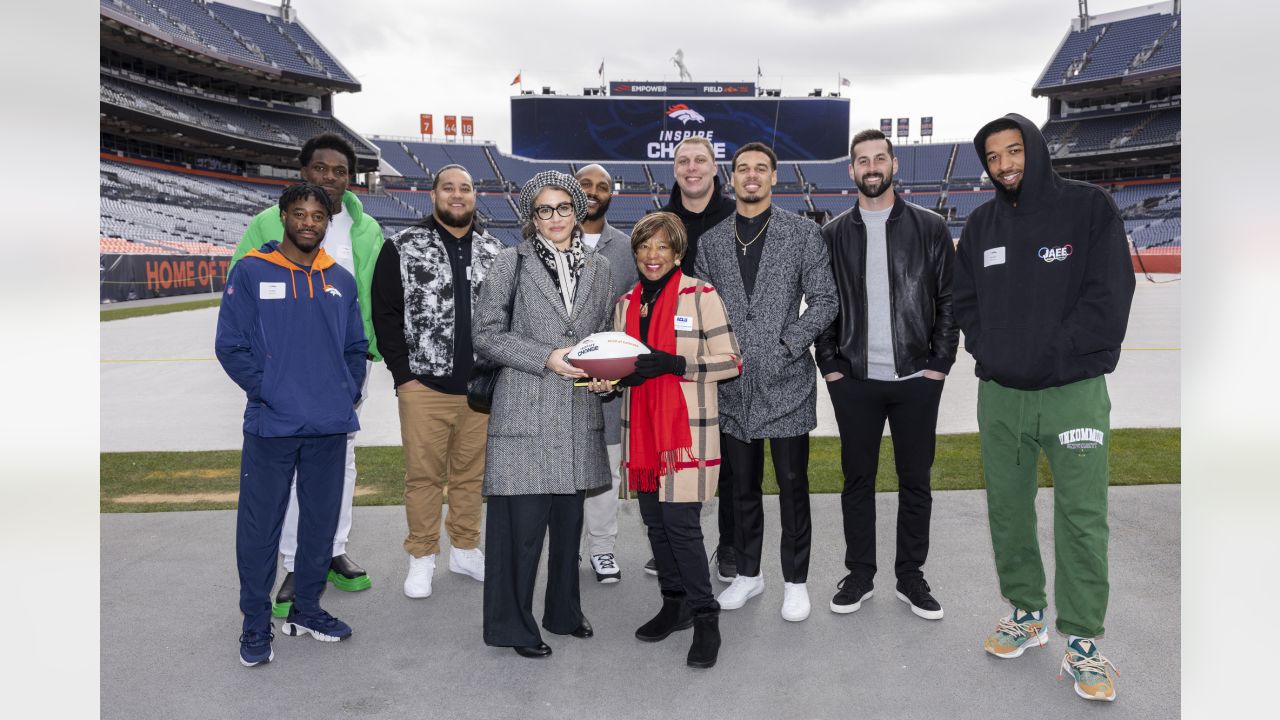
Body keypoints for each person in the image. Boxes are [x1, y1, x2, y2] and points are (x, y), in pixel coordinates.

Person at [953, 113, 1135, 702]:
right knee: (1008, 510)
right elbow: (965, 301)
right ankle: (1026, 613)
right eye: (993, 157)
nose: (1005, 165)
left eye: (1014, 151)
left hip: (1072, 392)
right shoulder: (980, 225)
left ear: (1034, 148)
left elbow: (1110, 295)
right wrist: (992, 347)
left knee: (1082, 516)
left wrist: (1052, 353)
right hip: (1002, 395)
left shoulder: (1089, 209)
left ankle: (1083, 641)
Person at [228, 133, 384, 615]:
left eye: (340, 171)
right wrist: (267, 382)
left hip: (341, 377)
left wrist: (360, 369)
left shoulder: (365, 228)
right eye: (320, 168)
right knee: (286, 476)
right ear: (304, 172)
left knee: (342, 467)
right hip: (285, 381)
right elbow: (242, 292)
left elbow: (374, 298)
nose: (329, 178)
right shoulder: (266, 223)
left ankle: (329, 549)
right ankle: (296, 563)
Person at [216, 183, 367, 667]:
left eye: (317, 215)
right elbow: (231, 345)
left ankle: (306, 609)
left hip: (328, 423)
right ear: (283, 217)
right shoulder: (253, 272)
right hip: (272, 425)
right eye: (298, 213)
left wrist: (345, 391)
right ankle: (256, 623)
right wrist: (269, 389)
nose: (308, 222)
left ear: (327, 221)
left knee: (320, 526)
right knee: (260, 530)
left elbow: (355, 348)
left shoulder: (340, 279)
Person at [815, 129, 958, 620]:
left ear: (894, 165)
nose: (871, 167)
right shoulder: (832, 234)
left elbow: (948, 300)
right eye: (862, 160)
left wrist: (939, 364)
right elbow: (823, 306)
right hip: (854, 380)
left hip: (917, 379)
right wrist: (830, 365)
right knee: (858, 480)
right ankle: (860, 573)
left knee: (915, 480)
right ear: (851, 171)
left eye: (880, 158)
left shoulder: (931, 227)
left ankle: (911, 576)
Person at [692, 142, 838, 622]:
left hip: (787, 384)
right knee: (742, 489)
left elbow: (824, 300)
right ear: (730, 179)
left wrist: (786, 344)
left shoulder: (801, 234)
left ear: (775, 178)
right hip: (732, 387)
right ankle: (749, 576)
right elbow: (700, 311)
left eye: (760, 169)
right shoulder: (711, 242)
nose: (751, 176)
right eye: (742, 169)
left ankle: (796, 582)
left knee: (793, 487)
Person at [473, 171, 615, 658]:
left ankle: (563, 612)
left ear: (578, 210)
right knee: (521, 533)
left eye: (562, 208)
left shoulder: (599, 270)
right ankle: (511, 626)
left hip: (577, 413)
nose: (554, 218)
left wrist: (604, 375)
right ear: (531, 217)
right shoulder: (509, 263)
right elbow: (486, 334)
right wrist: (546, 356)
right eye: (543, 210)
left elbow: (598, 337)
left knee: (568, 527)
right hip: (525, 412)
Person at [610, 212, 741, 669]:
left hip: (687, 432)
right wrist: (608, 380)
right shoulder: (626, 304)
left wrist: (674, 364)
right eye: (644, 246)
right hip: (642, 433)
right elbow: (625, 366)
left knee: (681, 525)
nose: (652, 255)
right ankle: (675, 603)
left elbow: (730, 361)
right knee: (655, 523)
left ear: (678, 253)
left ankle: (706, 616)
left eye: (662, 246)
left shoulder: (701, 296)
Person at [371, 164, 505, 599]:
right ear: (434, 195)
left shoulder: (495, 251)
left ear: (473, 196)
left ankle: (465, 548)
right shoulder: (404, 246)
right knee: (423, 477)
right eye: (448, 187)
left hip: (479, 390)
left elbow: (505, 316)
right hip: (424, 388)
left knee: (471, 476)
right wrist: (403, 377)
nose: (457, 195)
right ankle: (422, 556)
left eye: (465, 188)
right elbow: (386, 314)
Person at [659, 136, 739, 582]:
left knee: (726, 458)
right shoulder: (662, 220)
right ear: (675, 169)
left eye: (700, 160)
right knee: (674, 450)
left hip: (721, 354)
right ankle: (677, 539)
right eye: (683, 161)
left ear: (714, 167)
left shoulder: (733, 216)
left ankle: (728, 546)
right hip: (671, 360)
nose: (691, 168)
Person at [574, 163, 638, 584]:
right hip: (555, 373)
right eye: (586, 184)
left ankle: (601, 548)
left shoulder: (628, 248)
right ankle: (564, 548)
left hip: (608, 381)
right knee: (558, 465)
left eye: (603, 186)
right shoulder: (545, 238)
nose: (594, 192)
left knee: (607, 466)